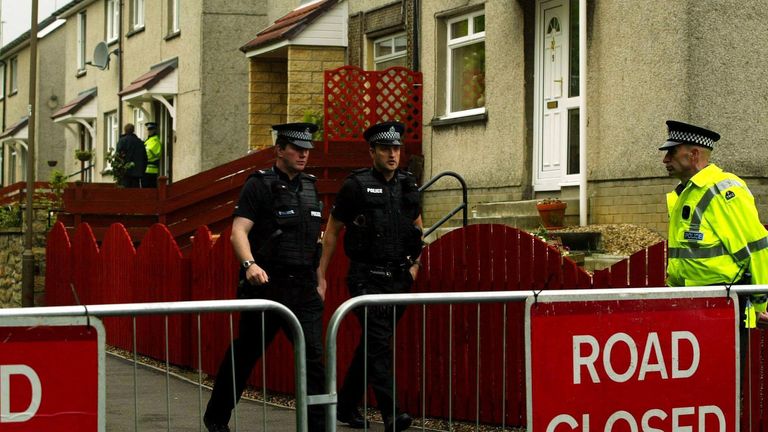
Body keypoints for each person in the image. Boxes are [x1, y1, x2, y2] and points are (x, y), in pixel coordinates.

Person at [203, 123, 326, 432]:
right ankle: (216, 419)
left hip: (303, 287)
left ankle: (319, 427)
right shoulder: (259, 185)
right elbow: (238, 232)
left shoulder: (311, 186)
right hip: (267, 285)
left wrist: (320, 278)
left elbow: (318, 239)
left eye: (307, 149)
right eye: (297, 148)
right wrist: (249, 265)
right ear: (279, 149)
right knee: (246, 353)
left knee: (314, 361)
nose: (303, 154)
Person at [317, 121, 422, 432]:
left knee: (372, 345)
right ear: (372, 151)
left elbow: (417, 225)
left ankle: (346, 405)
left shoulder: (407, 184)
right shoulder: (356, 186)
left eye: (397, 148)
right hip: (367, 279)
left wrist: (416, 266)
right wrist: (320, 274)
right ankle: (392, 414)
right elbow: (333, 231)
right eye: (386, 149)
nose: (392, 154)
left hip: (399, 277)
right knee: (378, 343)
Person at [660, 120, 768, 348]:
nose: (665, 160)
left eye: (671, 152)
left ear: (694, 154)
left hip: (723, 306)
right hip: (692, 305)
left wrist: (760, 306)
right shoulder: (686, 193)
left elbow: (756, 248)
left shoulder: (723, 190)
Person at [115, 123, 147, 188]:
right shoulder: (140, 142)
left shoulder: (122, 141)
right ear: (133, 130)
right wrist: (142, 171)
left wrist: (118, 171)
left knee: (125, 194)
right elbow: (145, 158)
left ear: (125, 130)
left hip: (125, 173)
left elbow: (118, 157)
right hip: (137, 174)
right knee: (135, 194)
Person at [143, 122, 162, 188]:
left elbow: (148, 153)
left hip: (151, 170)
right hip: (146, 169)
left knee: (150, 189)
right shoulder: (148, 140)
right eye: (148, 129)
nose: (149, 131)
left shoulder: (155, 140)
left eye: (151, 129)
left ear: (155, 130)